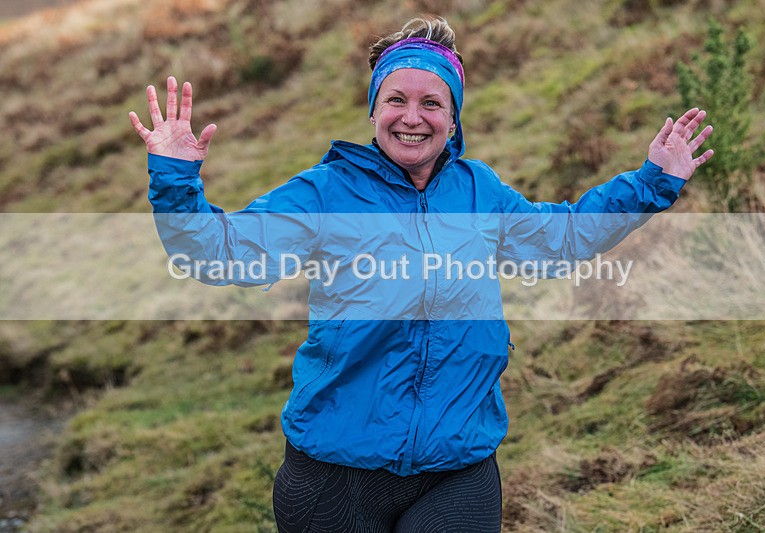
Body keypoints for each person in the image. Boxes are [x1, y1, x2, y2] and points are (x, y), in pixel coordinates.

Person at [130, 16, 712, 533]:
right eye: (396, 100)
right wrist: (176, 181)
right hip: (335, 474)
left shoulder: (479, 190)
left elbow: (559, 239)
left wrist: (651, 183)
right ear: (374, 110)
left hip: (457, 467)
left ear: (453, 116)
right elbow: (221, 254)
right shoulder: (327, 191)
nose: (413, 117)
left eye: (432, 103)